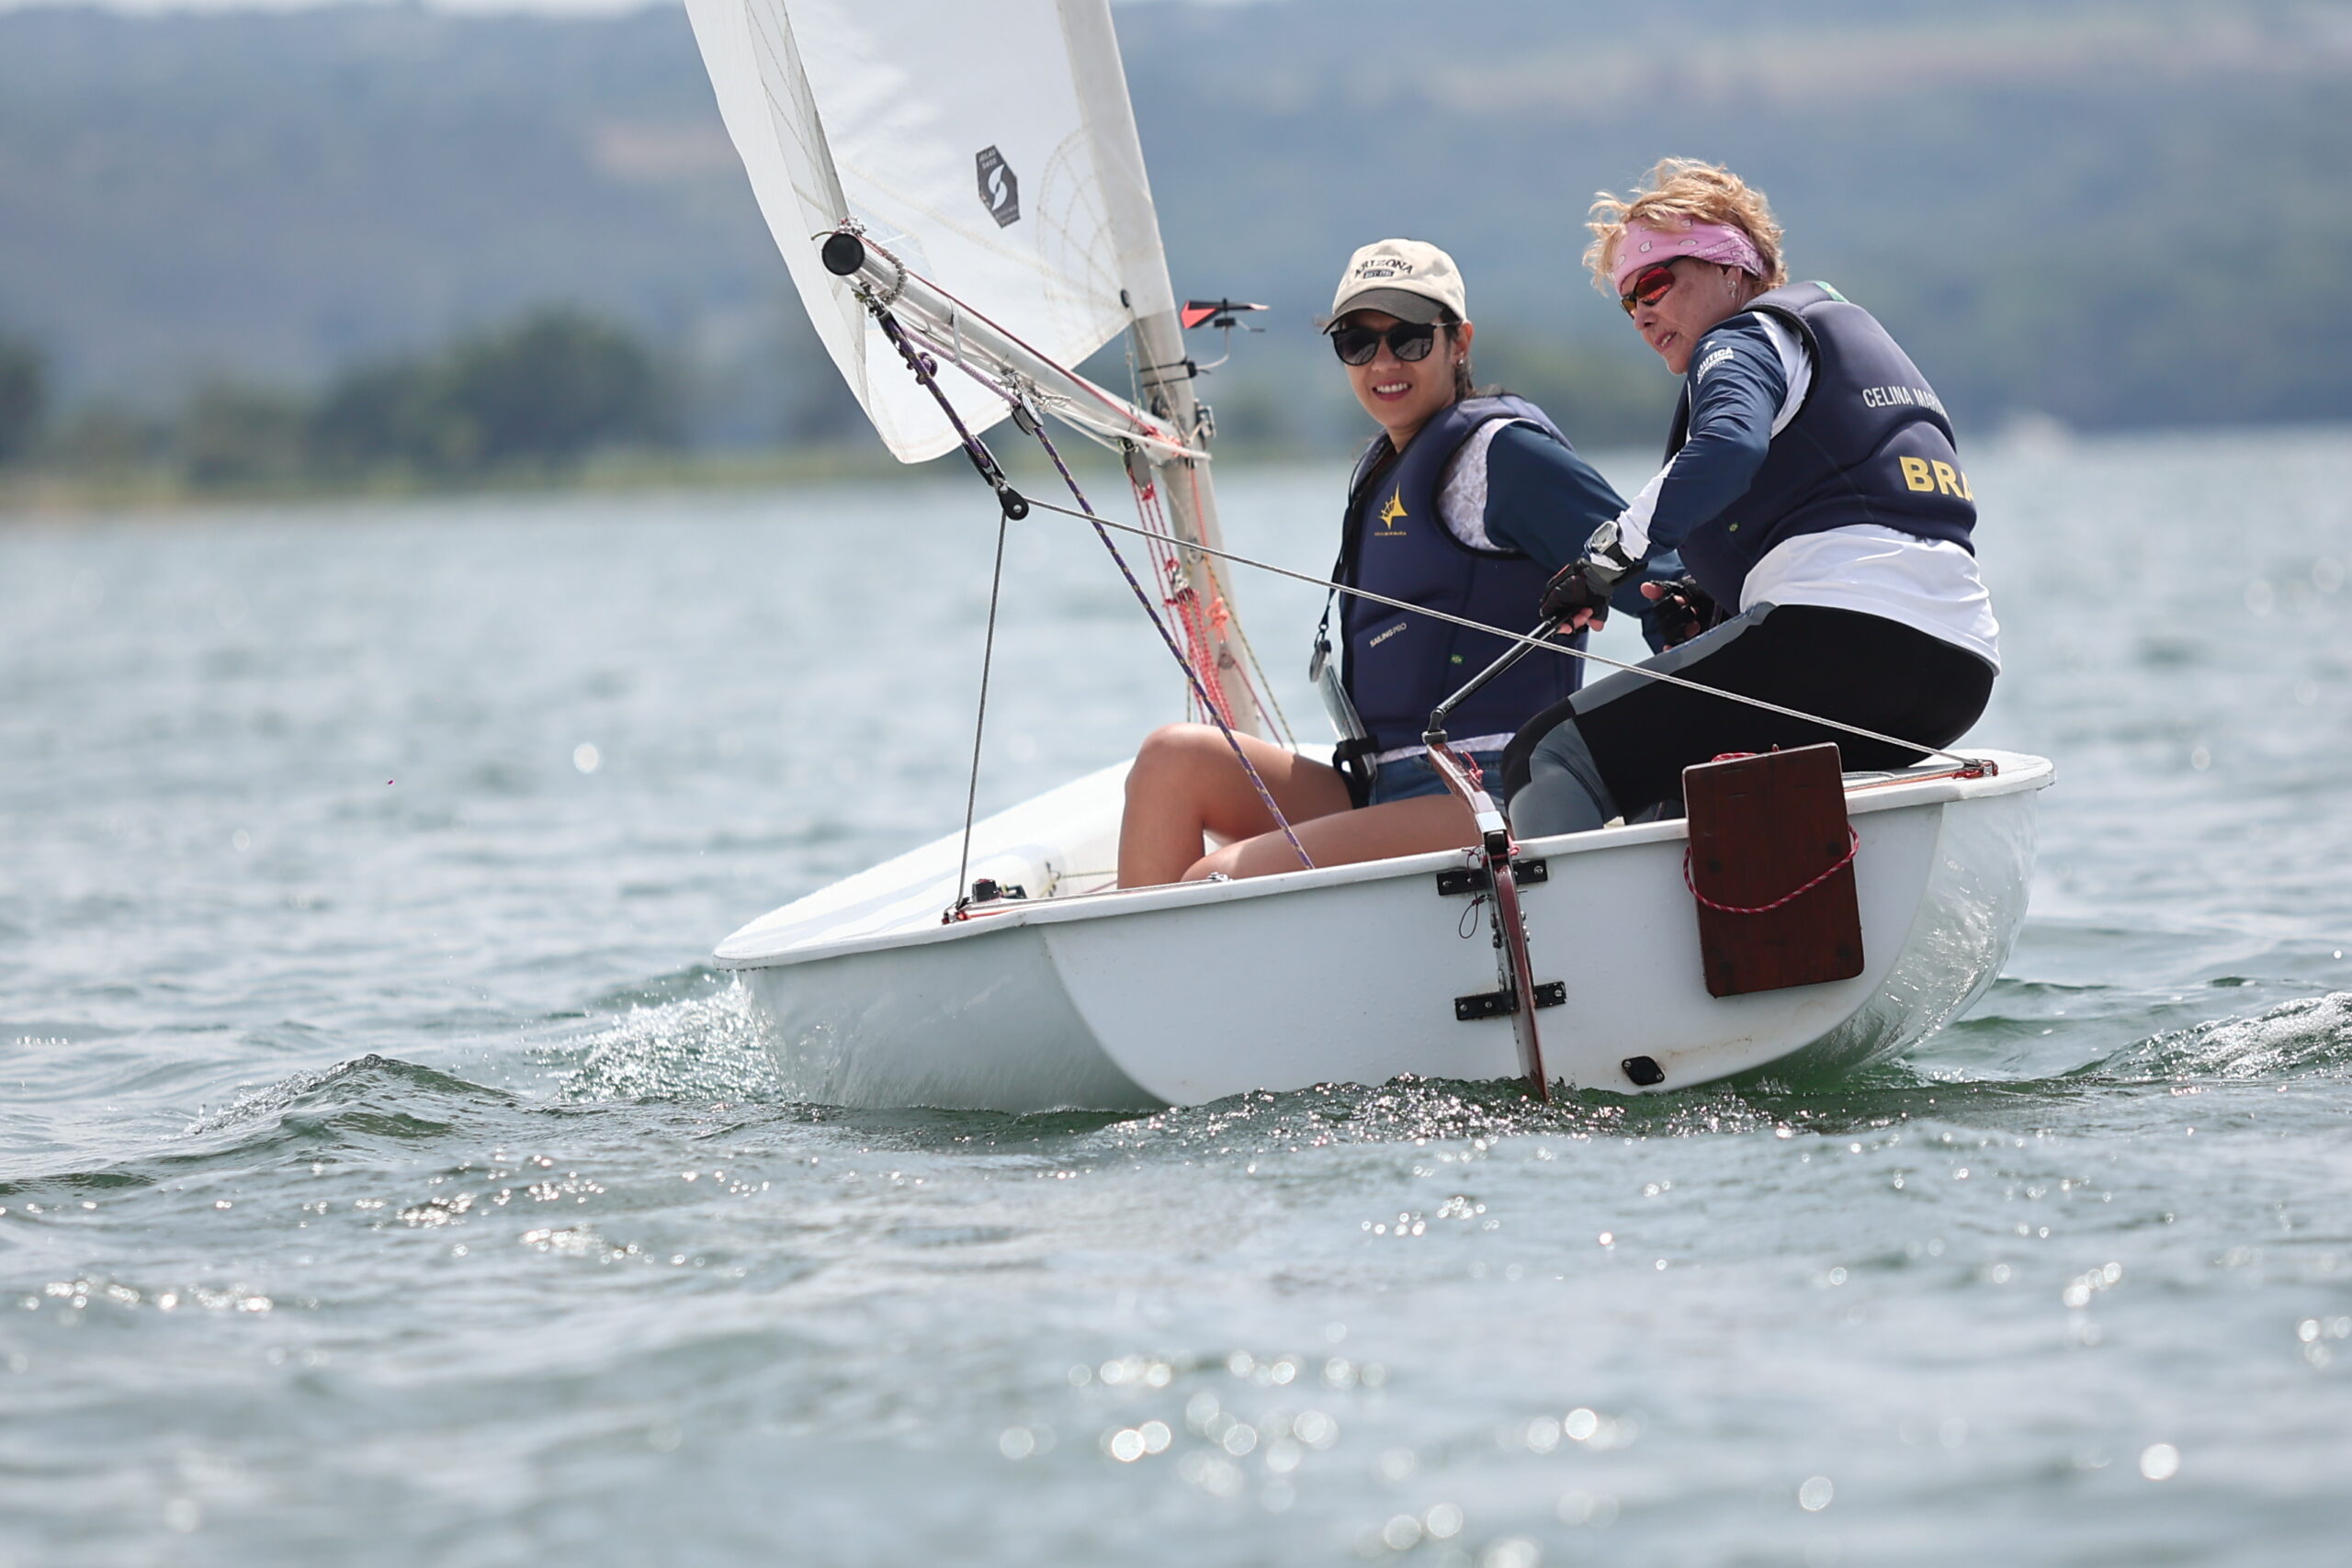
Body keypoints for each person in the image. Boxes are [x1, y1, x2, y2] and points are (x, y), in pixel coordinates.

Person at [1117, 239, 1638, 886]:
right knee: (1171, 759)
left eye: (1410, 338)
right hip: (1382, 783)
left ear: (1460, 341)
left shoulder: (1503, 455)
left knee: (1214, 881)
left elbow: (1653, 562)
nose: (1383, 362)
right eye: (1357, 343)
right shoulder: (1380, 468)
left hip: (1492, 796)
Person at [1502, 160, 2001, 837]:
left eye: (1655, 282)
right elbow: (1843, 510)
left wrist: (1605, 559)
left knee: (1545, 758)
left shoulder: (1740, 340)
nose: (1643, 313)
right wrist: (1711, 599)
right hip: (1957, 671)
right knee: (1679, 773)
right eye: (1628, 300)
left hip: (1842, 647)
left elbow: (1728, 449)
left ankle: (1577, 942)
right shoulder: (1837, 340)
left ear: (1732, 267)